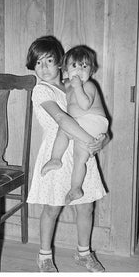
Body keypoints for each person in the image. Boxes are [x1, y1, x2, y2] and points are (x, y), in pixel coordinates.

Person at [25, 35, 108, 273]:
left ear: (60, 62)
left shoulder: (74, 83)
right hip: (57, 151)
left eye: (49, 61)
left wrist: (101, 140)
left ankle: (84, 254)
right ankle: (44, 256)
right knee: (52, 207)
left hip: (82, 149)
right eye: (38, 62)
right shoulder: (41, 91)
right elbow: (62, 118)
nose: (44, 67)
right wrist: (89, 139)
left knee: (85, 206)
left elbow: (98, 116)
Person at [41, 45, 109, 205]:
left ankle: (55, 158)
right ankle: (76, 188)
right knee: (80, 157)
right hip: (83, 126)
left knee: (64, 128)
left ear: (92, 71)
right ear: (65, 69)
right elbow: (56, 85)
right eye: (74, 66)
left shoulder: (89, 86)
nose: (79, 70)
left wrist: (78, 87)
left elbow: (85, 105)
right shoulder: (66, 85)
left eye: (84, 66)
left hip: (93, 121)